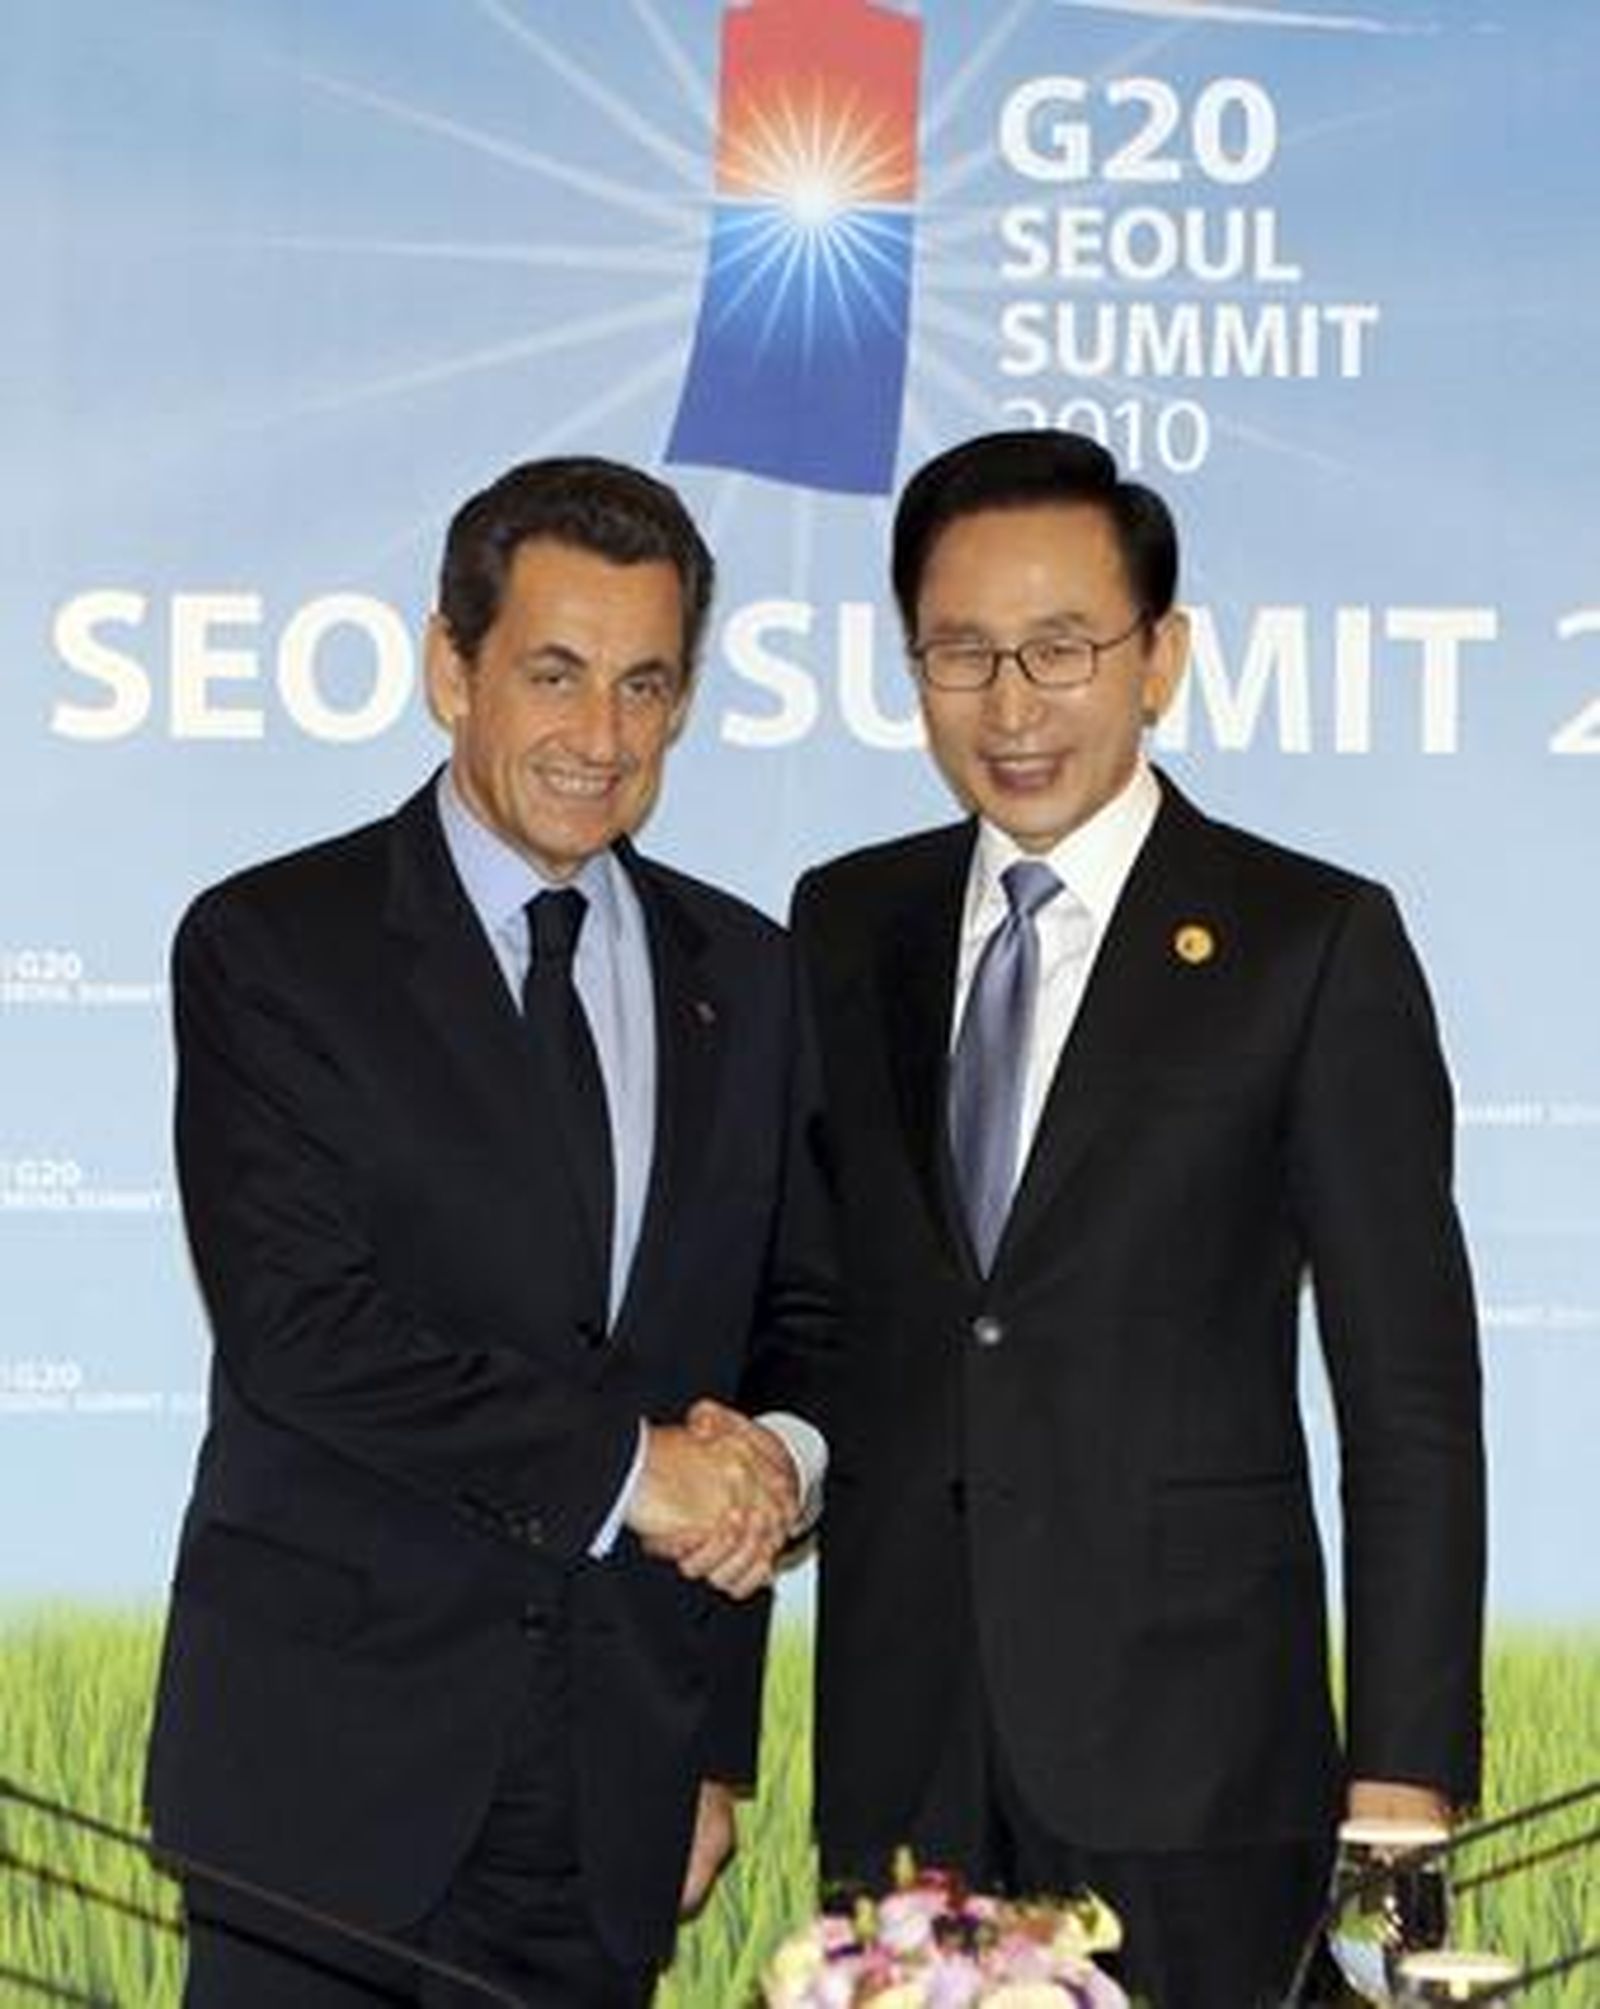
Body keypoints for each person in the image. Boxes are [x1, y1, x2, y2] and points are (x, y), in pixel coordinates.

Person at [788, 431, 1484, 2008]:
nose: (1011, 704)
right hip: (909, 1760)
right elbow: (832, 1304)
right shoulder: (845, 920)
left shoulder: (1309, 941)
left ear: (1158, 657)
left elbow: (1411, 1397)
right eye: (962, 651)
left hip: (1196, 1765)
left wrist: (1403, 1779)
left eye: (1061, 647)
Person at [145, 456, 831, 2007]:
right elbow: (304, 1332)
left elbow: (790, 1321)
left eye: (646, 684)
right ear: (450, 669)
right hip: (321, 1787)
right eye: (555, 672)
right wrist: (636, 1469)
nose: (603, 736)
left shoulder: (750, 974)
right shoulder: (274, 946)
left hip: (608, 1797)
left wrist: (772, 1482)